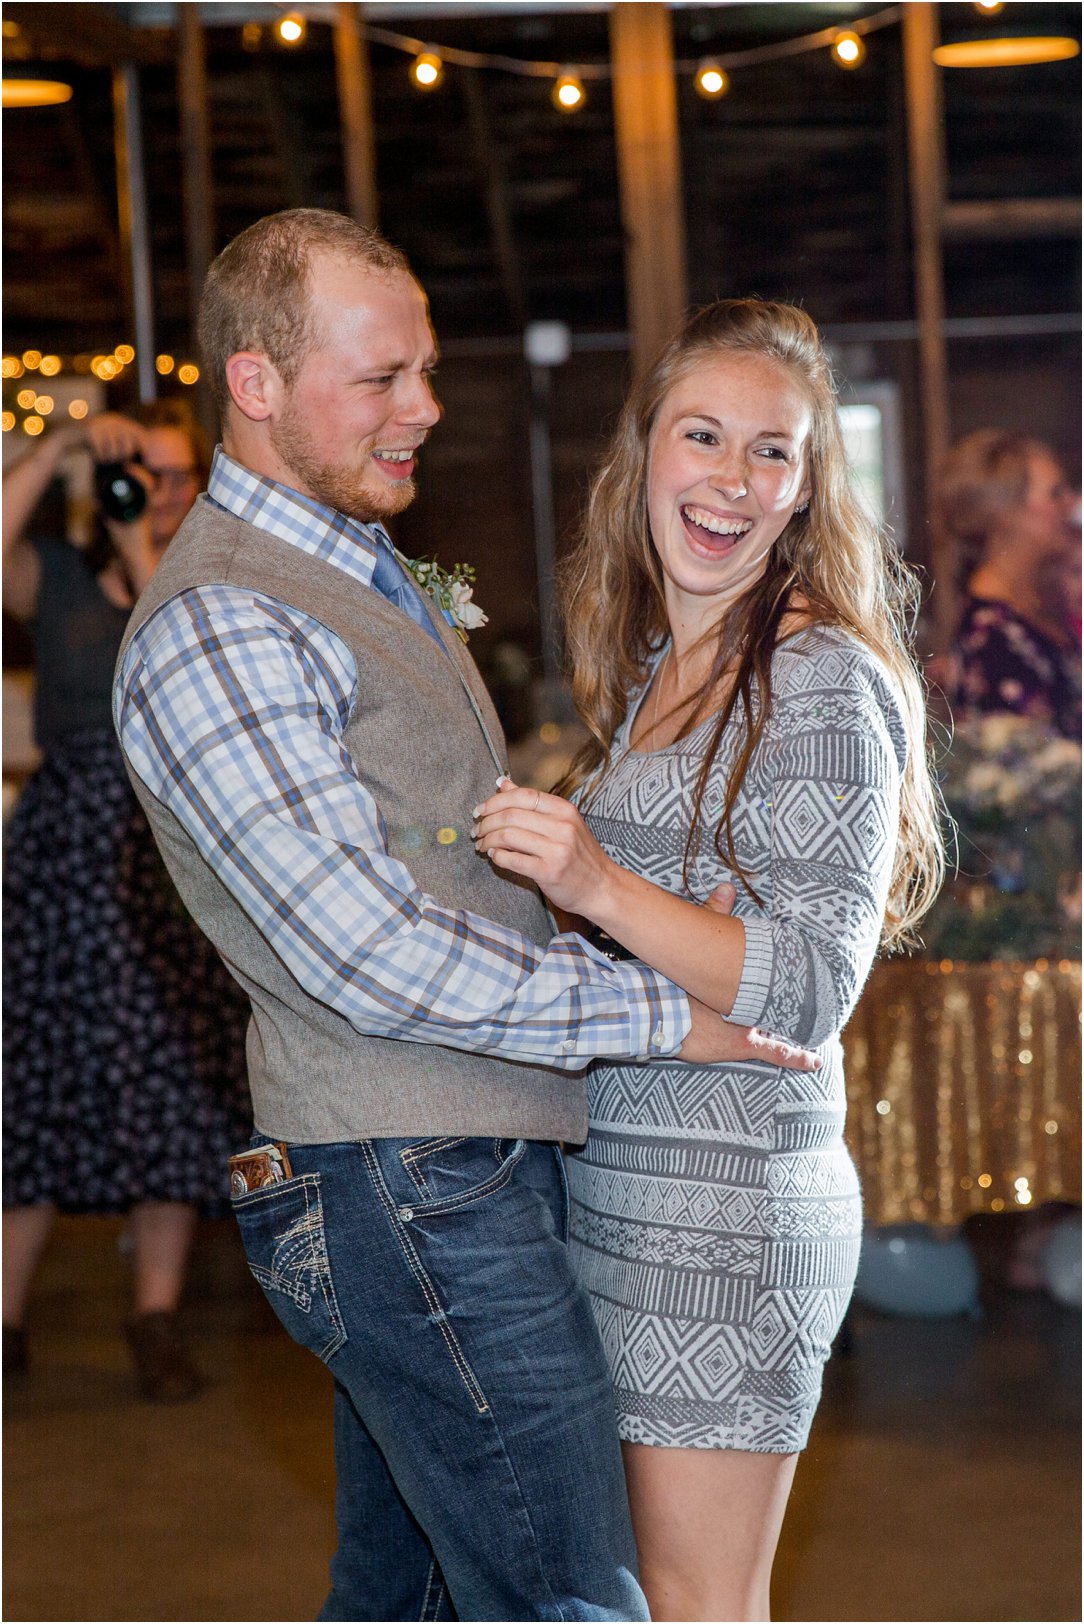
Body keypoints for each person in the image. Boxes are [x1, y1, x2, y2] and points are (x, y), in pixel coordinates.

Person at [112, 211, 822, 1623]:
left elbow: (444, 857)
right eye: (381, 379)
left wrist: (635, 908)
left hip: (444, 1165)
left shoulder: (351, 565)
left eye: (424, 370)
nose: (425, 406)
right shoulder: (221, 623)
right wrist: (669, 1015)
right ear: (254, 384)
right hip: (406, 1177)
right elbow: (369, 951)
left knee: (416, 1600)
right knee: (572, 1596)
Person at [473, 299, 944, 1620]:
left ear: (805, 490)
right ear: (646, 455)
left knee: (697, 1605)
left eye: (772, 453)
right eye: (705, 436)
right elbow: (688, 951)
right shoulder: (658, 668)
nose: (733, 480)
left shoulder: (816, 677)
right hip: (623, 1184)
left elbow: (805, 988)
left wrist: (595, 881)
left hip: (729, 1213)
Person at [2, 399, 252, 1402]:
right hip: (60, 852)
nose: (156, 493)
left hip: (160, 850)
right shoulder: (54, 576)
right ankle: (6, 1320)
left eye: (176, 477)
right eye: (136, 473)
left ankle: (155, 1316)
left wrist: (139, 538)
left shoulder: (209, 580)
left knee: (166, 1082)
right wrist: (58, 446)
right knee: (33, 1081)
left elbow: (175, 659)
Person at [935, 428, 1080, 739]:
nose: (1073, 503)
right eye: (1056, 493)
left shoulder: (1037, 606)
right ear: (1003, 512)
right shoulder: (994, 639)